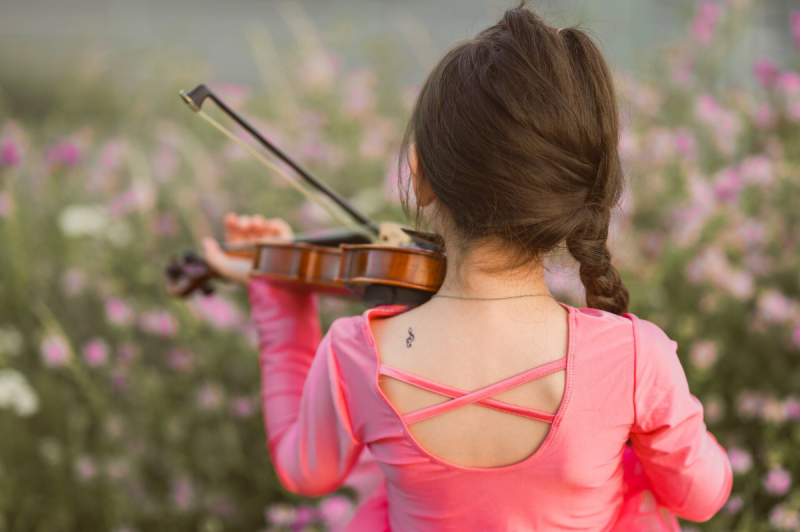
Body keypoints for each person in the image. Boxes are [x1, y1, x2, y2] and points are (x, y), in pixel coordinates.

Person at [203, 3, 733, 530]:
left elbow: (303, 471)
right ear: (572, 193)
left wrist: (282, 300)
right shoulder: (634, 358)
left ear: (421, 176)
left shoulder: (355, 355)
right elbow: (701, 497)